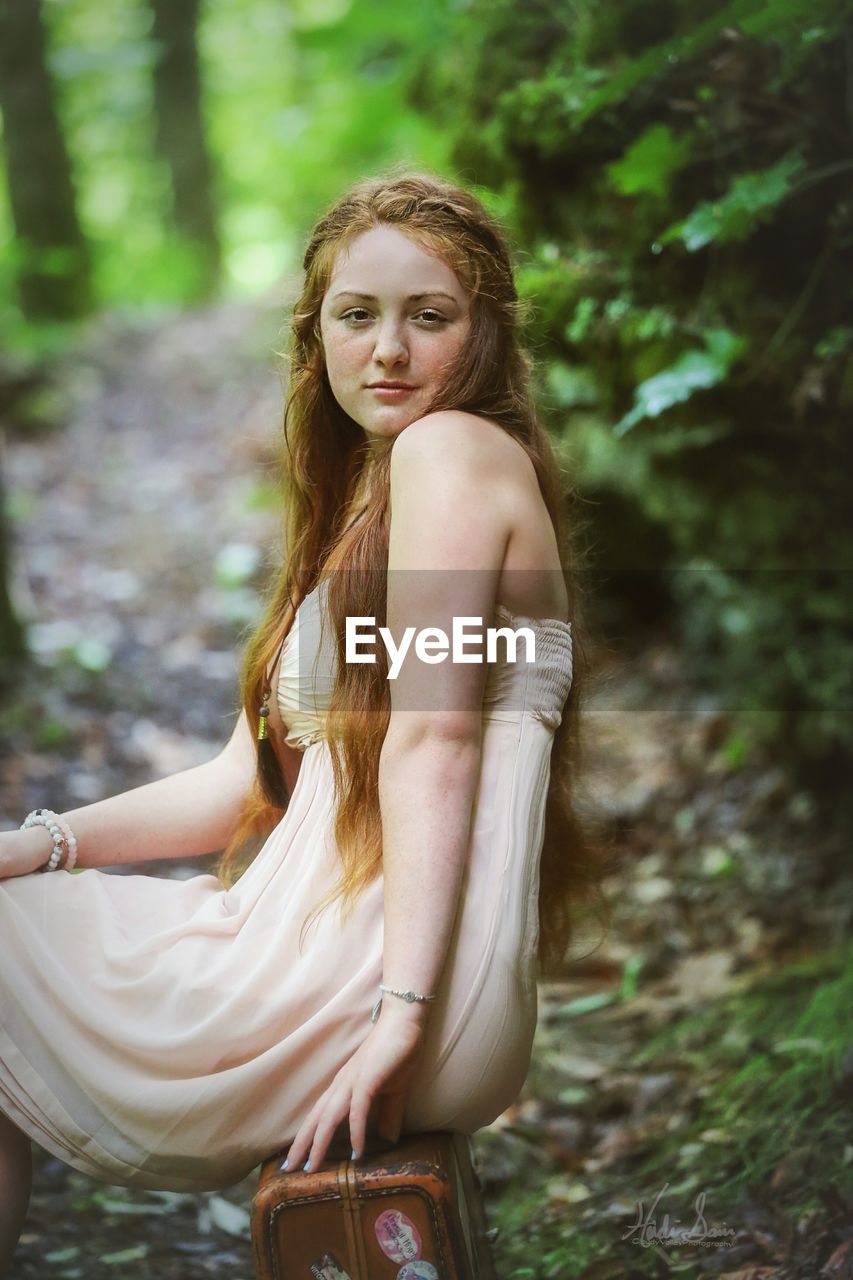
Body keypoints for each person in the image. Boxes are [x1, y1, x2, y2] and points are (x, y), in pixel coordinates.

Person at [0, 171, 600, 1272]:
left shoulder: (450, 455)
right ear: (314, 332)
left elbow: (437, 739)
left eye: (430, 316)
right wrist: (30, 845)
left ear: (485, 332)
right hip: (339, 959)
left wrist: (403, 1014)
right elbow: (244, 786)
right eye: (356, 314)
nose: (388, 349)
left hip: (378, 979)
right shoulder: (365, 506)